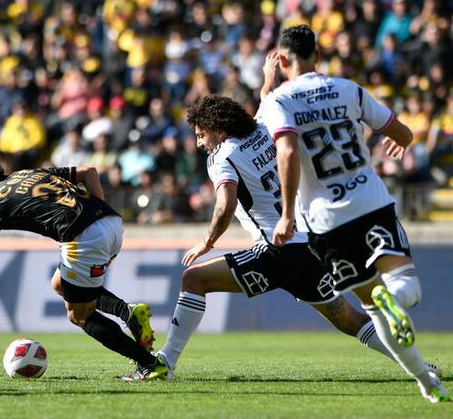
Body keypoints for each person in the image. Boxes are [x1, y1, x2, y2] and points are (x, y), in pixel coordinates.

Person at [157, 94, 440, 379]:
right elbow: (264, 102)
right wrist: (269, 78)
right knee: (348, 318)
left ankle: (165, 362)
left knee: (193, 279)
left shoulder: (221, 157)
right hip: (309, 246)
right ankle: (419, 366)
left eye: (201, 135)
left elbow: (225, 204)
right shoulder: (263, 129)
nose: (199, 143)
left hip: (276, 250)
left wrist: (207, 242)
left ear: (219, 129)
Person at [259, 24, 449, 404]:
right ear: (317, 55)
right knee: (406, 286)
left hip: (325, 222)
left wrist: (287, 215)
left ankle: (427, 381)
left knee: (372, 307)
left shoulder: (278, 101)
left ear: (282, 62)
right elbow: (402, 132)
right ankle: (396, 302)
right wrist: (401, 141)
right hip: (370, 203)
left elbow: (286, 148)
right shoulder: (349, 89)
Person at [0, 157, 166, 380]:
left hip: (84, 237)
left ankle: (148, 363)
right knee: (59, 283)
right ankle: (128, 313)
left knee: (79, 315)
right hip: (112, 222)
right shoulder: (26, 173)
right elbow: (89, 172)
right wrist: (98, 219)